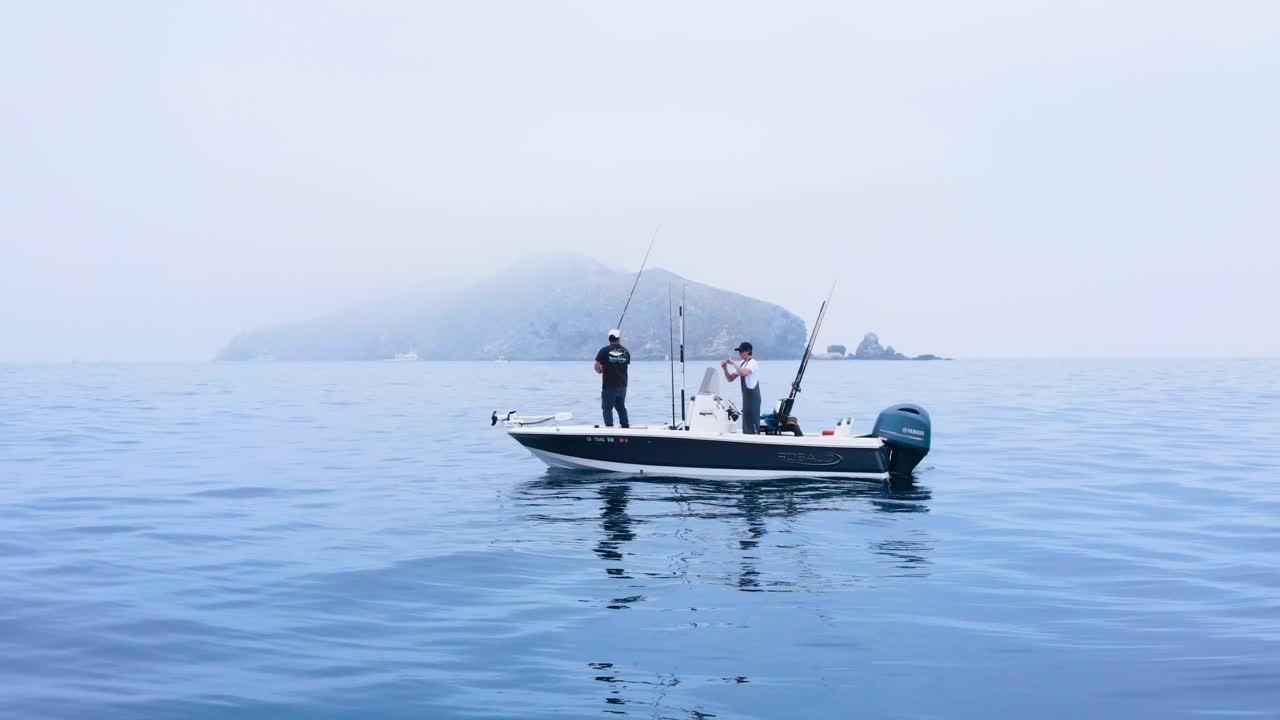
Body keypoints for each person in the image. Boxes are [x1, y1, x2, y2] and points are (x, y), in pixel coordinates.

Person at [721, 341, 761, 434]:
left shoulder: (753, 363)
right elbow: (730, 378)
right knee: (746, 424)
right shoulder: (742, 364)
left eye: (741, 351)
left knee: (752, 423)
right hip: (746, 399)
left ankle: (755, 440)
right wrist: (725, 368)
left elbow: (744, 373)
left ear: (748, 351)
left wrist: (733, 363)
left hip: (753, 399)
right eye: (739, 351)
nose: (739, 353)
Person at [594, 329, 631, 428]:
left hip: (609, 385)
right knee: (620, 407)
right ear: (619, 339)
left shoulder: (604, 350)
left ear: (609, 338)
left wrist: (601, 371)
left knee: (607, 408)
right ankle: (625, 425)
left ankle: (609, 427)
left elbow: (597, 367)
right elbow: (623, 365)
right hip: (623, 385)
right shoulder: (626, 351)